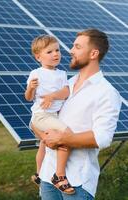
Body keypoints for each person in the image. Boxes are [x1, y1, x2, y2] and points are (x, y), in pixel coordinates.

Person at [32, 28, 122, 200]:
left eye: (77, 47)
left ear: (93, 53)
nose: (70, 50)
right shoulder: (65, 84)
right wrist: (44, 135)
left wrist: (61, 139)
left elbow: (102, 138)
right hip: (47, 175)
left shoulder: (106, 92)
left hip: (77, 181)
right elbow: (40, 116)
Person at [25, 35, 74, 195]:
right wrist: (31, 88)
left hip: (53, 115)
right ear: (38, 57)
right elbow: (28, 98)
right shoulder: (36, 73)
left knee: (43, 145)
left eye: (57, 50)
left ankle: (39, 174)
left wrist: (52, 96)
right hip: (41, 116)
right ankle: (59, 175)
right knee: (66, 136)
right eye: (49, 51)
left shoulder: (61, 74)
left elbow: (66, 92)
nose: (55, 54)